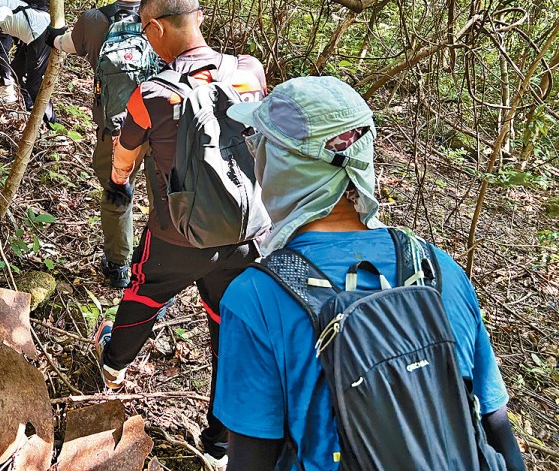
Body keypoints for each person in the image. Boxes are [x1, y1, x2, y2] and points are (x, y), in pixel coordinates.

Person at [214, 76, 525, 471]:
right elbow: (494, 422)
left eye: (261, 147)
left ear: (281, 165)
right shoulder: (439, 268)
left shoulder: (256, 296)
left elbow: (251, 459)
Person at [94, 0, 268, 469]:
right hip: (246, 234)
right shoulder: (249, 72)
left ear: (154, 28)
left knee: (143, 294)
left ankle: (113, 366)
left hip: (177, 235)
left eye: (146, 32)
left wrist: (119, 181)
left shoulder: (151, 93)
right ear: (199, 18)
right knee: (229, 326)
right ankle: (220, 443)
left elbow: (124, 156)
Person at [45, 0, 164, 288]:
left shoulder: (95, 20)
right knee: (162, 199)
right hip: (162, 128)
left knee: (118, 192)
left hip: (117, 129)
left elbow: (64, 45)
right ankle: (157, 266)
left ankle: (117, 266)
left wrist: (55, 37)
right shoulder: (168, 20)